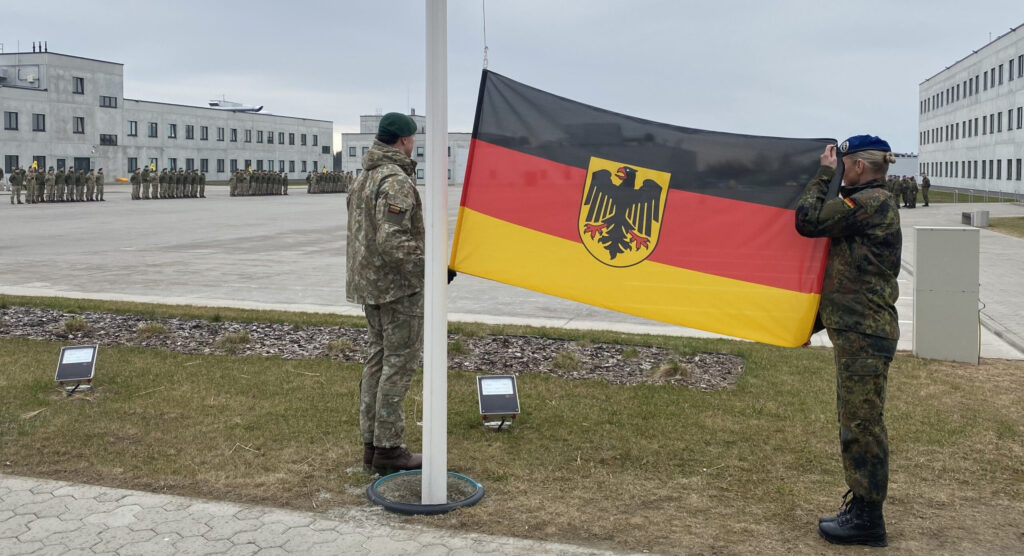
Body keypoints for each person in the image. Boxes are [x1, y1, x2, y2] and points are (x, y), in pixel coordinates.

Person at [795, 135, 901, 547]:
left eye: (842, 163)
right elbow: (851, 277)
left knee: (862, 425)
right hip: (859, 330)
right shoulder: (871, 202)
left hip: (866, 333)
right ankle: (862, 507)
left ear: (857, 166)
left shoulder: (871, 202)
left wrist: (823, 174)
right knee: (856, 421)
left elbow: (808, 220)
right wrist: (809, 324)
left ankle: (868, 520)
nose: (840, 169)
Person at [347, 112, 426, 475]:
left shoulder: (364, 177)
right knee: (397, 365)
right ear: (404, 141)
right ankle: (389, 449)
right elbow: (392, 240)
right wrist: (431, 267)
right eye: (413, 139)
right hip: (397, 288)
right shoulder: (395, 181)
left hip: (371, 286)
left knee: (377, 361)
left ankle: (371, 445)